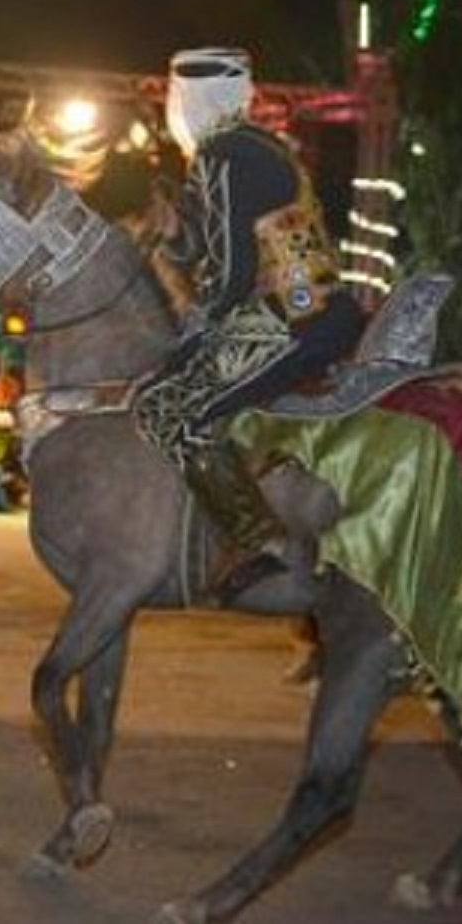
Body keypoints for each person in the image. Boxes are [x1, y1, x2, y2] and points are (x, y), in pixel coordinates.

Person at [130, 47, 363, 599]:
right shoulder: (257, 145)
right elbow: (218, 247)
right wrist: (177, 235)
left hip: (293, 315)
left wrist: (197, 330)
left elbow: (232, 269)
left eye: (176, 98)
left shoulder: (223, 152)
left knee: (167, 404)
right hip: (308, 306)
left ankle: (261, 539)